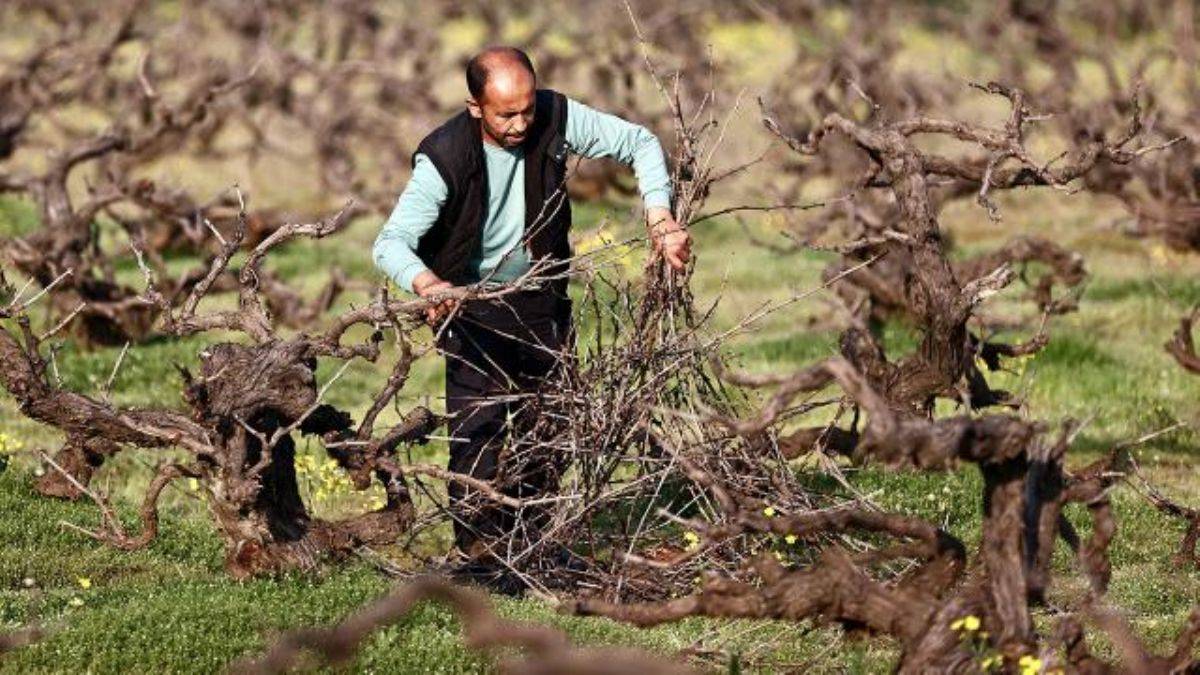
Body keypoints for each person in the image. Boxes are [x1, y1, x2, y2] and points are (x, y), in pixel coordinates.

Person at [372, 46, 691, 582]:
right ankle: (480, 556)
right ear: (476, 106)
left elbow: (640, 142)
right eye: (506, 115)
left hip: (542, 295)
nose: (522, 124)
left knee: (554, 424)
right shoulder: (443, 158)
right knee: (480, 431)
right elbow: (390, 243)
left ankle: (536, 548)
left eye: (527, 110)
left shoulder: (555, 115)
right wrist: (428, 284)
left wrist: (659, 214)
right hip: (469, 306)